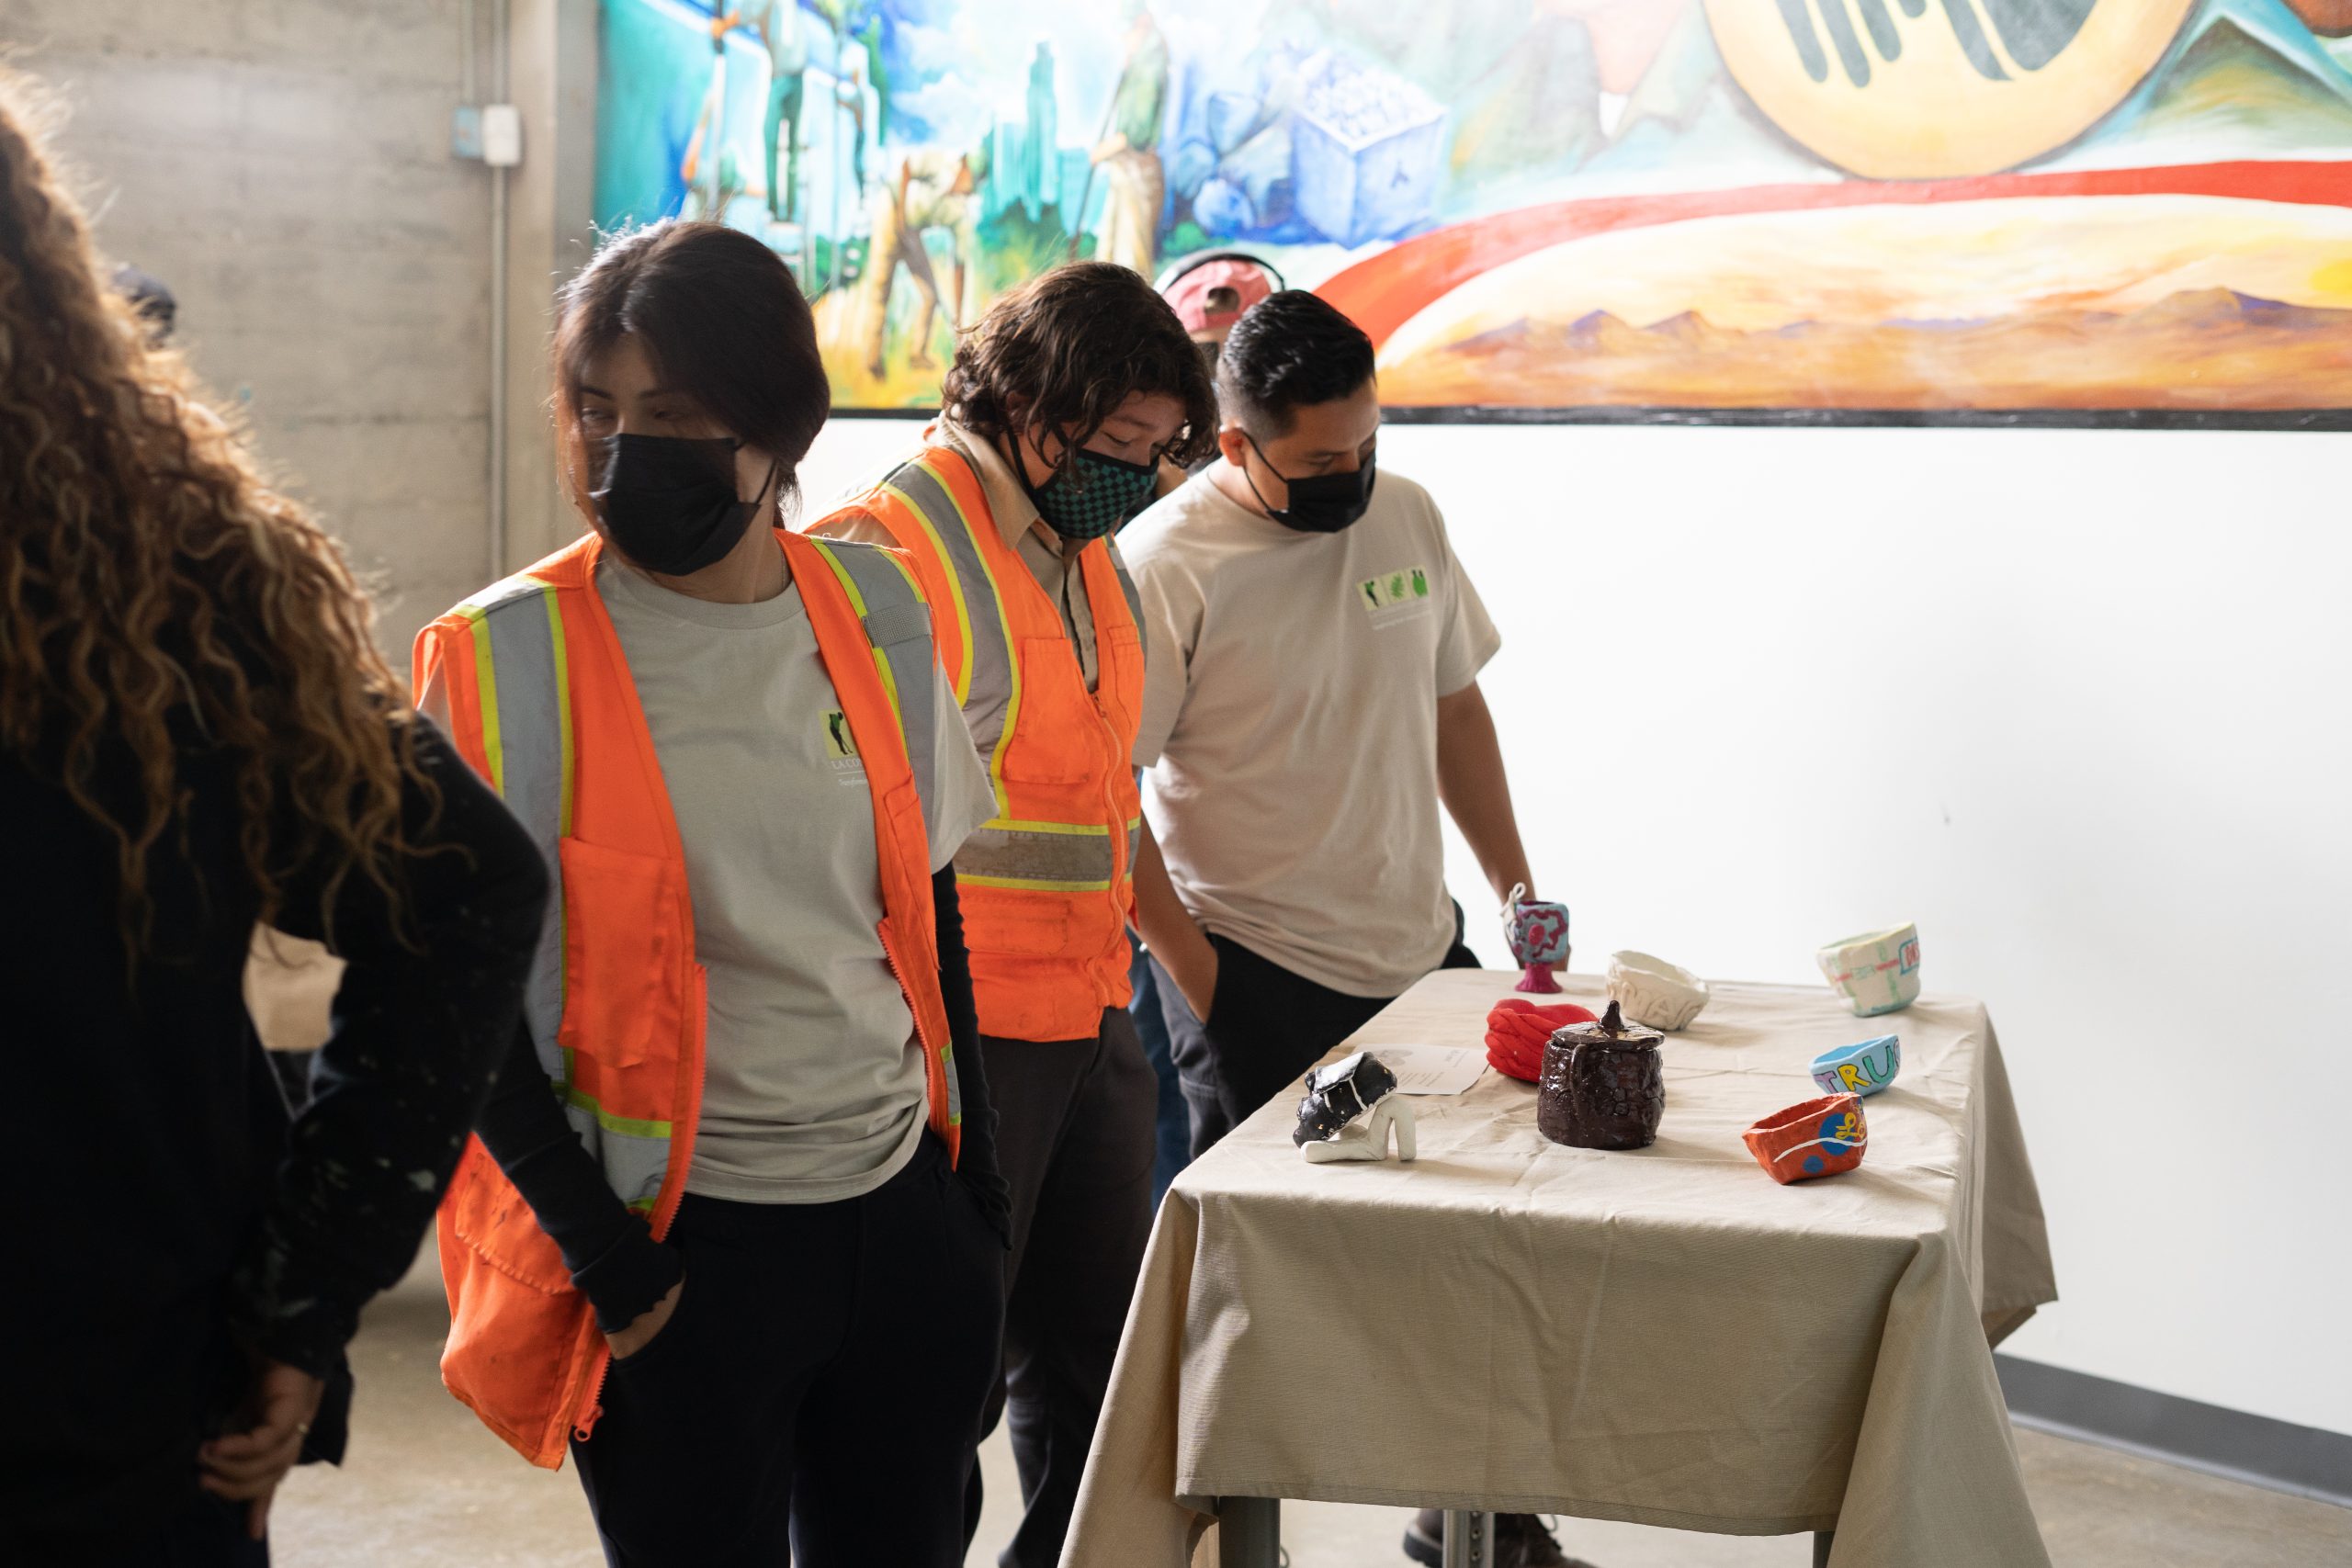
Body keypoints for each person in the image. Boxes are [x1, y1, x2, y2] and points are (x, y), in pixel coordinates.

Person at [0, 74, 548, 1565]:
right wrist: (301, 1289)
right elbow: (470, 889)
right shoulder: (177, 560)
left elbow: (467, 888)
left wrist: (301, 1289)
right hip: (125, 1376)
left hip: (108, 1396)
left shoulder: (162, 571)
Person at [420, 220, 1010, 1567]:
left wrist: (976, 1205)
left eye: (673, 414)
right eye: (597, 410)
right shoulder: (502, 657)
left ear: (776, 428)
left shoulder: (878, 605)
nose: (624, 449)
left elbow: (931, 912)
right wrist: (610, 1267)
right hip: (682, 1255)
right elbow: (453, 1010)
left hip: (899, 1221)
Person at [1121, 293, 1578, 1568]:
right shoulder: (1167, 565)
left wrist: (1514, 890)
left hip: (1417, 954)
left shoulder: (1407, 511)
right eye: (1321, 462)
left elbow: (1455, 713)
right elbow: (1104, 797)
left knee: (1482, 1249)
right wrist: (1200, 977)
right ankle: (1218, 1542)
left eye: (1364, 447)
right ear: (1235, 447)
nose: (1352, 477)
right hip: (1253, 963)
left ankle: (1485, 1521)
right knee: (1258, 1300)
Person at [812, 260, 1217, 1568]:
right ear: (1027, 402)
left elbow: (1099, 779)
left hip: (1094, 1008)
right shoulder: (895, 542)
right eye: (1116, 444)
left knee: (1101, 1370)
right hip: (957, 1034)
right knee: (935, 1385)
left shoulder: (1083, 544)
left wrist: (1175, 960)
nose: (1138, 474)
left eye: (1159, 450)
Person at [854, 143, 985, 379]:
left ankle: (918, 354)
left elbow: (959, 266)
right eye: (972, 178)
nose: (970, 188)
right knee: (880, 291)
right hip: (891, 212)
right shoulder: (940, 163)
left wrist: (957, 319)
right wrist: (902, 216)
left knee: (930, 295)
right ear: (964, 167)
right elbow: (906, 167)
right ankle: (873, 361)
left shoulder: (959, 213)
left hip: (911, 232)